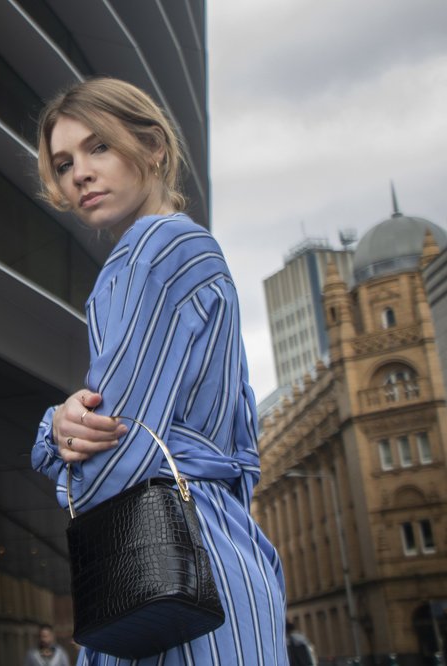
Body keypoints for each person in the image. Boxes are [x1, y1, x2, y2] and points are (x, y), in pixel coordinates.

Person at [30, 77, 287, 664]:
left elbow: (117, 439)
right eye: (65, 162)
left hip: (169, 569)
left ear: (153, 147)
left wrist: (53, 436)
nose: (80, 174)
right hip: (227, 555)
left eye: (100, 148)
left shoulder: (151, 249)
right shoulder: (196, 250)